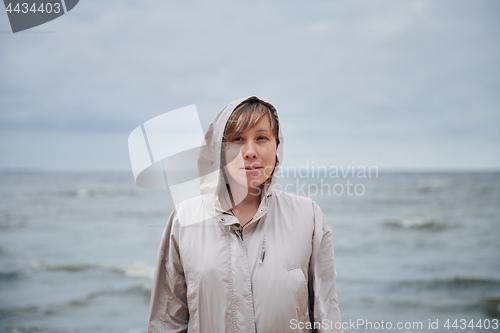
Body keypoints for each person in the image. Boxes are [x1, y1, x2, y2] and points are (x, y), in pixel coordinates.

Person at [148, 96, 342, 332]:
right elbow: (167, 321)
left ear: (276, 145)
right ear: (219, 150)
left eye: (261, 138)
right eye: (237, 139)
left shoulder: (308, 216)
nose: (249, 152)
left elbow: (326, 316)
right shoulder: (185, 219)